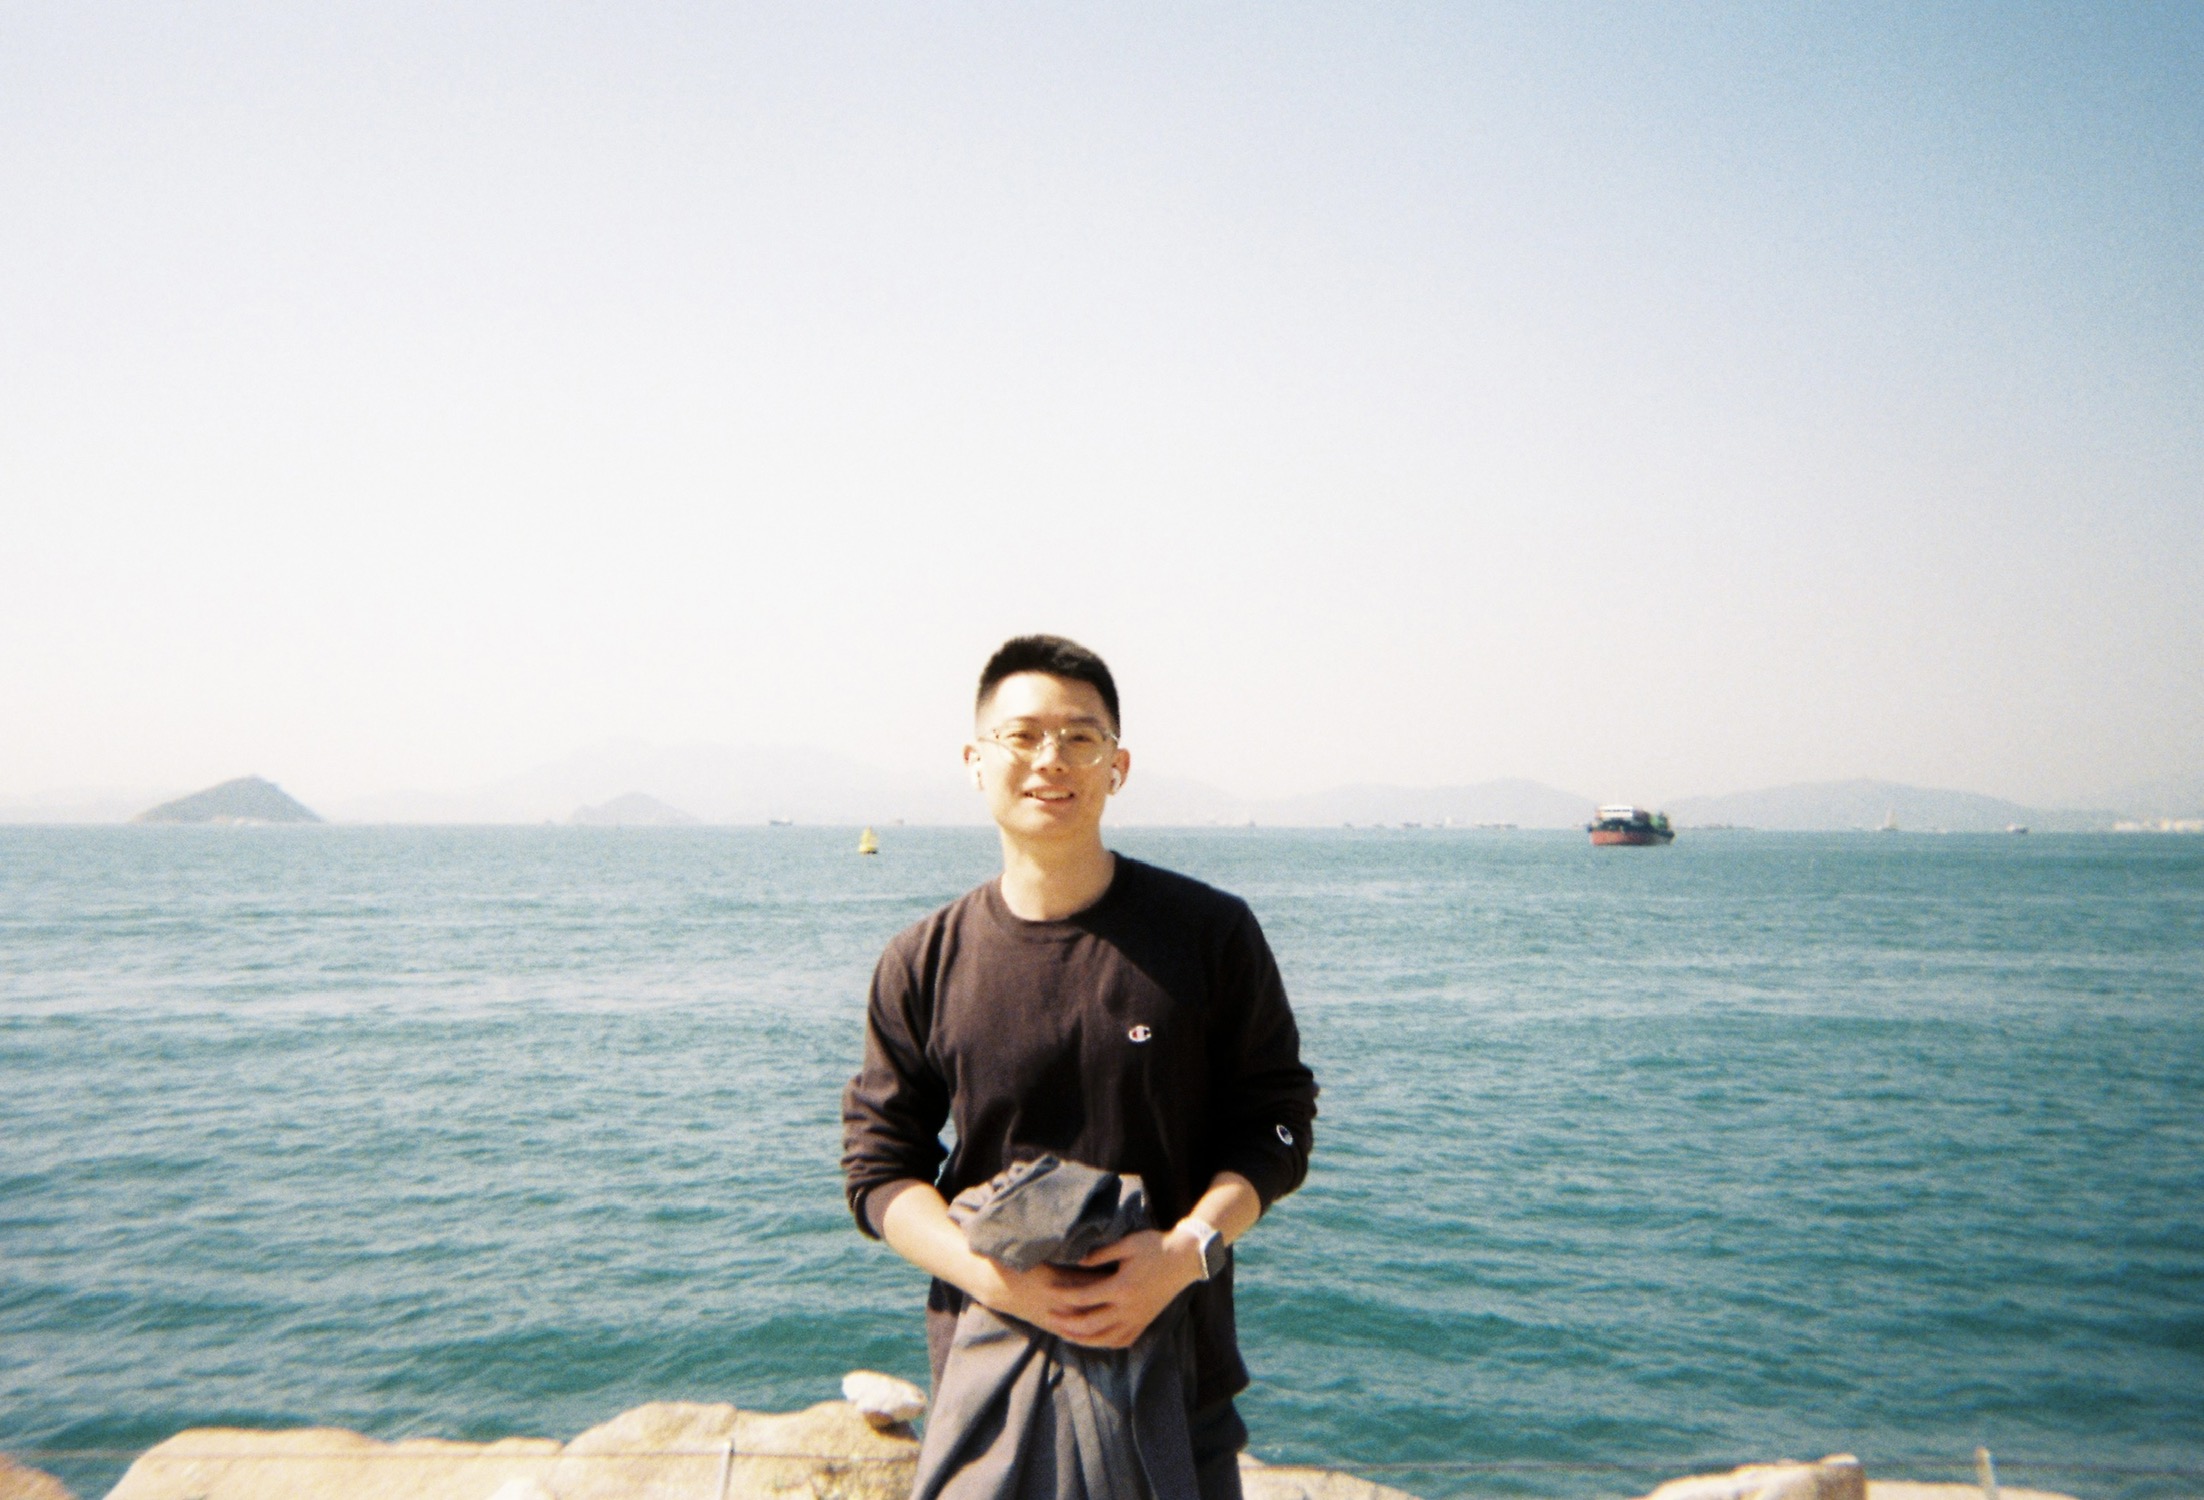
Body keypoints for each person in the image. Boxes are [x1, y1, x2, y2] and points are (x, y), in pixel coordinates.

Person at [841, 634, 1319, 1500]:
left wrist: (1182, 1253)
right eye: (1021, 735)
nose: (1049, 759)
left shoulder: (1211, 935)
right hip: (988, 1384)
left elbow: (1278, 1126)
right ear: (975, 761)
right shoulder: (923, 960)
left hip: (1180, 1381)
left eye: (1080, 737)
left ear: (1117, 766)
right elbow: (879, 1169)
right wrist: (998, 1281)